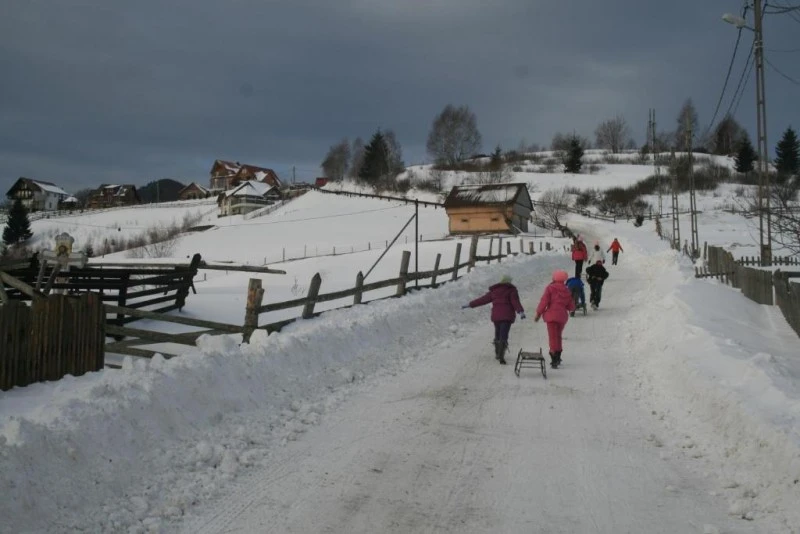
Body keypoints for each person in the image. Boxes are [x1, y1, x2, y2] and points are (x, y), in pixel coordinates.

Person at [463, 274, 525, 364]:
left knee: (498, 333)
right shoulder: (512, 290)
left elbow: (482, 300)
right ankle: (501, 356)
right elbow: (515, 302)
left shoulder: (494, 291)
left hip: (496, 317)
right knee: (504, 335)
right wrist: (520, 311)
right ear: (509, 282)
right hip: (507, 316)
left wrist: (470, 304)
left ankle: (497, 352)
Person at [534, 270, 575, 369]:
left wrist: (538, 313)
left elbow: (544, 302)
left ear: (554, 278)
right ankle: (558, 355)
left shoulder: (550, 288)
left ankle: (554, 358)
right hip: (562, 317)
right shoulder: (567, 290)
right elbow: (571, 307)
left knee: (552, 337)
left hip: (551, 316)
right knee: (558, 336)